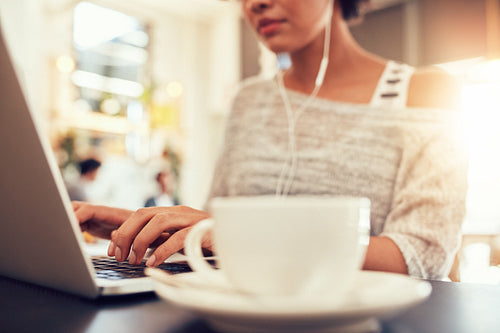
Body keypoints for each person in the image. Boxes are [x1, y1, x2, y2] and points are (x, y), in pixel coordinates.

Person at [73, 0, 468, 280]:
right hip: (242, 313)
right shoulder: (249, 100)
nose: (255, 4)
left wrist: (240, 234)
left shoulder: (421, 90)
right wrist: (142, 228)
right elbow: (215, 235)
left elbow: (423, 256)